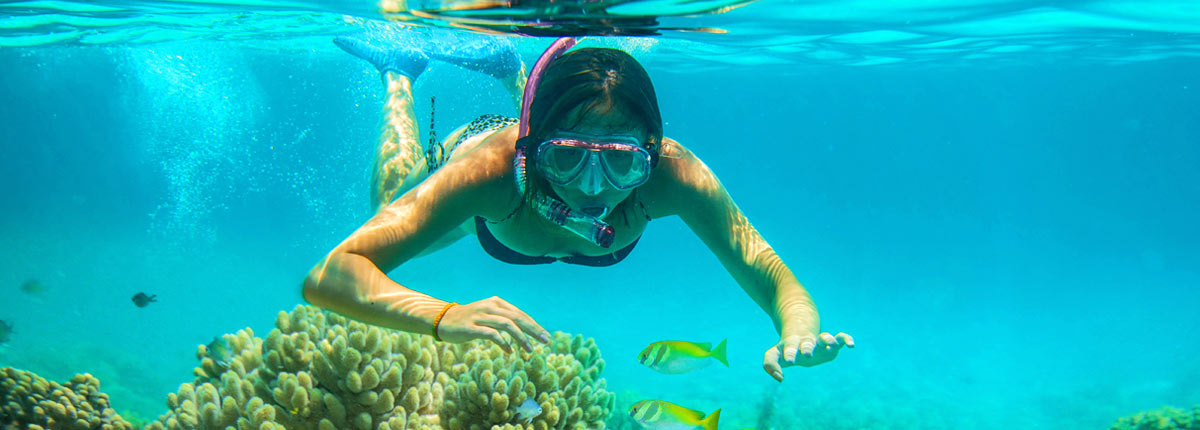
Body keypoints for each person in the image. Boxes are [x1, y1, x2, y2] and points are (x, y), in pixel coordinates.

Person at [303, 25, 853, 382]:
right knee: (385, 199)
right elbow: (331, 274)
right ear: (534, 147)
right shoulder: (488, 173)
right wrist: (444, 316)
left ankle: (510, 72)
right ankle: (399, 70)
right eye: (566, 158)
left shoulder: (674, 174)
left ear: (651, 153)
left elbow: (766, 267)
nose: (592, 188)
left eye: (621, 162)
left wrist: (798, 328)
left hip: (529, 144)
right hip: (479, 145)